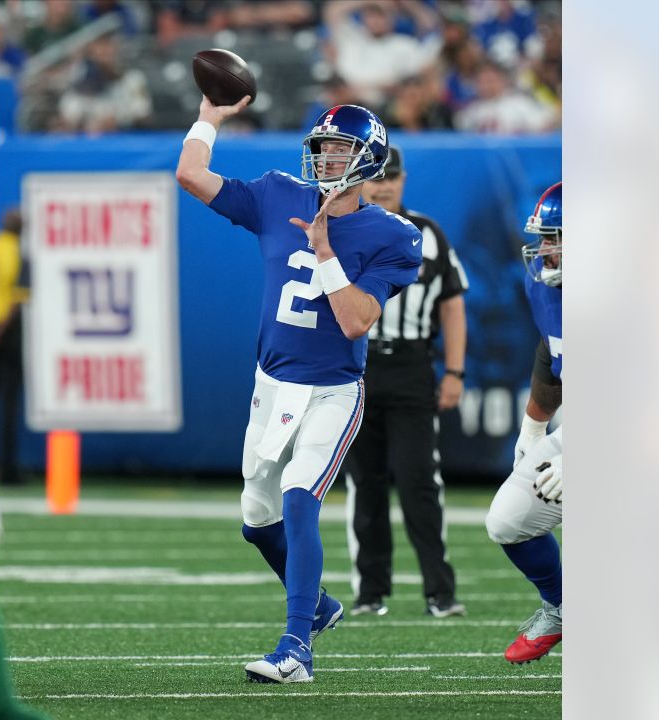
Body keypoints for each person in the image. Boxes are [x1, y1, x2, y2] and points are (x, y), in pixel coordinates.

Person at [176, 98, 423, 684]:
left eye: (342, 149)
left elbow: (358, 320)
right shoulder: (277, 193)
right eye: (323, 147)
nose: (328, 158)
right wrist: (210, 114)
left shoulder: (393, 235)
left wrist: (326, 252)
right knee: (256, 521)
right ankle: (319, 605)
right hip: (271, 385)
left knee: (297, 498)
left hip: (331, 393)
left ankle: (296, 649)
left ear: (370, 161)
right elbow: (190, 174)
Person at [345, 145, 469, 619]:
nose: (385, 185)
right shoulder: (342, 226)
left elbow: (453, 303)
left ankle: (440, 590)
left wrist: (454, 371)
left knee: (419, 481)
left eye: (392, 176)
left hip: (413, 366)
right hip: (357, 364)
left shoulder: (428, 234)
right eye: (377, 177)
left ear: (403, 179)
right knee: (366, 482)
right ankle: (371, 592)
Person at [485, 181, 563, 664]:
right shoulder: (547, 286)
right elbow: (551, 352)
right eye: (545, 236)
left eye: (557, 237)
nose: (546, 249)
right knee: (509, 519)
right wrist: (534, 427)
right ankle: (564, 607)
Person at [0, 209, 30, 486]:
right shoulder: (19, 253)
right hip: (7, 333)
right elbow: (17, 301)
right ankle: (8, 469)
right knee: (9, 404)